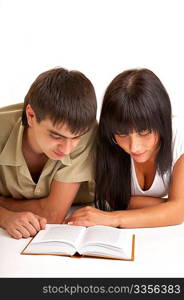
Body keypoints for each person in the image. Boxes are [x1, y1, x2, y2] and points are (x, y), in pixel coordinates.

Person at [64, 68, 184, 228]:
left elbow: (177, 213)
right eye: (122, 134)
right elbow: (115, 200)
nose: (134, 146)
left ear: (162, 121)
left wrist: (114, 219)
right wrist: (168, 205)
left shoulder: (178, 138)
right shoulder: (106, 141)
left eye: (144, 132)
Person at [0, 67, 97, 238]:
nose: (67, 149)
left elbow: (53, 214)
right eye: (56, 135)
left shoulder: (87, 130)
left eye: (76, 138)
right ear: (31, 115)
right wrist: (4, 217)